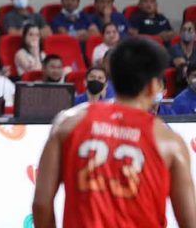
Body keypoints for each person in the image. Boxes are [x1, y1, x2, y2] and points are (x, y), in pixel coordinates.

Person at [33, 37, 196, 227]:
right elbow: (190, 221)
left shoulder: (67, 124)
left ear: (112, 79)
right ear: (153, 85)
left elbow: (41, 204)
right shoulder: (169, 142)